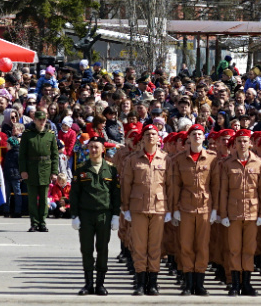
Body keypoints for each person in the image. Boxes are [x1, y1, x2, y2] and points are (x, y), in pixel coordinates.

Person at [166, 123, 217, 295]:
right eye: (194, 134)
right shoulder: (179, 159)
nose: (197, 136)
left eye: (200, 134)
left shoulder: (212, 158)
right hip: (186, 207)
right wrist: (174, 209)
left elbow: (216, 185)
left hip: (204, 207)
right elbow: (175, 186)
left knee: (202, 246)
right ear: (188, 138)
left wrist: (215, 210)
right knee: (186, 246)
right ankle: (188, 283)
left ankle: (200, 283)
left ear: (204, 138)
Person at [214, 129, 261, 296]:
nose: (242, 144)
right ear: (234, 144)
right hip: (233, 212)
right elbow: (223, 191)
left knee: (249, 249)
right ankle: (235, 283)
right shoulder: (228, 164)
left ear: (250, 143)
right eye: (239, 141)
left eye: (245, 141)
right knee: (234, 249)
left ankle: (247, 283)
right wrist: (223, 214)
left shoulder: (258, 163)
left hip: (252, 212)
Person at [119, 124, 167, 296]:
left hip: (159, 208)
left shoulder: (165, 159)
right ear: (143, 138)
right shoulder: (133, 159)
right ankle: (140, 282)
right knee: (139, 246)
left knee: (155, 247)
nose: (150, 137)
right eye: (147, 134)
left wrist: (170, 209)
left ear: (158, 138)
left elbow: (170, 185)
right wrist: (125, 207)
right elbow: (126, 184)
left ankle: (153, 282)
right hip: (138, 207)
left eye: (153, 134)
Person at [71, 136, 119, 295]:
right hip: (85, 215)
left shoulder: (111, 170)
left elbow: (116, 194)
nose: (93, 150)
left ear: (103, 149)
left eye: (96, 147)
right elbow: (74, 194)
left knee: (102, 249)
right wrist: (74, 216)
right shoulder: (81, 169)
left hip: (104, 215)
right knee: (86, 249)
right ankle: (88, 284)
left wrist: (116, 215)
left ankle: (100, 284)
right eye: (91, 147)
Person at [19, 108, 60, 232]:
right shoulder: (27, 134)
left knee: (43, 198)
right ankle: (34, 223)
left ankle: (42, 222)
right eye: (39, 120)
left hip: (45, 169)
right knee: (32, 199)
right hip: (31, 168)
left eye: (44, 119)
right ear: (35, 120)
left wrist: (54, 171)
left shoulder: (50, 134)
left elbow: (54, 155)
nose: (42, 122)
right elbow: (22, 155)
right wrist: (23, 170)